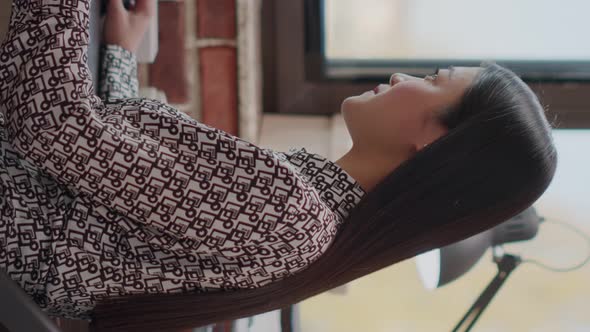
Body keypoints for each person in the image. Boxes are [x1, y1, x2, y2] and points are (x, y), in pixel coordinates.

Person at [0, 1, 557, 332]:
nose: (402, 78)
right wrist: (121, 54)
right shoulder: (301, 209)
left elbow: (51, 122)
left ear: (434, 145)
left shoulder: (289, 214)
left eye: (433, 81)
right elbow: (101, 153)